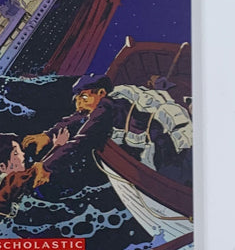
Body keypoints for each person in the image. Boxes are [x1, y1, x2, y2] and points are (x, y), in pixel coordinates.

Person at [30, 73, 193, 185]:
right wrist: (48, 135)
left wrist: (47, 166)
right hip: (164, 138)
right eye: (77, 99)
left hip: (167, 144)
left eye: (84, 97)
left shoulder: (106, 108)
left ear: (101, 93)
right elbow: (76, 117)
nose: (79, 103)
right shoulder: (110, 101)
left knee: (177, 179)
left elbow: (83, 140)